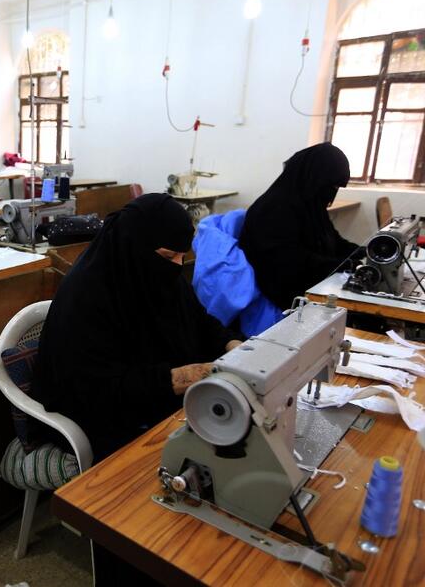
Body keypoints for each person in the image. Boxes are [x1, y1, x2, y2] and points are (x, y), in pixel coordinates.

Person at [33, 193, 242, 463]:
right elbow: (97, 391)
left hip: (153, 400)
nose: (177, 266)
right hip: (97, 416)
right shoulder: (86, 296)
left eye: (182, 256)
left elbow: (200, 321)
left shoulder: (153, 273)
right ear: (136, 246)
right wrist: (187, 376)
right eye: (169, 256)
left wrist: (233, 345)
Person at [239, 143, 363, 311]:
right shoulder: (274, 209)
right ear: (316, 178)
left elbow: (334, 241)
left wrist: (363, 253)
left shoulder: (311, 204)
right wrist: (343, 264)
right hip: (286, 295)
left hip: (313, 284)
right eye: (332, 186)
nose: (333, 192)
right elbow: (291, 263)